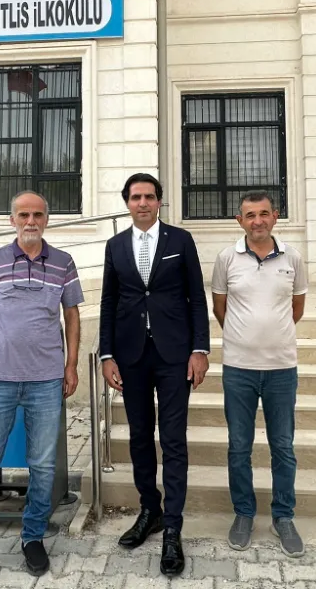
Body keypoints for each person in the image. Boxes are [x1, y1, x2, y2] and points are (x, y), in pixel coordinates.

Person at [0, 191, 84, 589]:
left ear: (47, 219)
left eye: (38, 214)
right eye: (23, 214)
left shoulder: (63, 263)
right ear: (12, 220)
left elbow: (72, 316)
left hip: (46, 381)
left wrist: (71, 365)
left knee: (43, 466)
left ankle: (32, 537)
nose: (31, 221)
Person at [99, 173, 209, 576]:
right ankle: (151, 510)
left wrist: (200, 349)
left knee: (173, 440)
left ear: (159, 201)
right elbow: (109, 300)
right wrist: (106, 355)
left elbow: (196, 297)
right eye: (135, 197)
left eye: (149, 196)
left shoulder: (180, 240)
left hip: (174, 355)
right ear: (127, 203)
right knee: (140, 437)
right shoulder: (115, 245)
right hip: (131, 355)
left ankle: (173, 529)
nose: (142, 203)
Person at [211, 190, 308, 558]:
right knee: (239, 446)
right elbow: (220, 307)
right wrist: (244, 337)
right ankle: (243, 513)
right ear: (240, 220)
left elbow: (297, 307)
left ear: (275, 216)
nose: (258, 221)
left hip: (282, 367)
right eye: (250, 215)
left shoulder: (292, 257)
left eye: (264, 213)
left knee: (283, 446)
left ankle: (283, 516)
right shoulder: (227, 258)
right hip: (239, 369)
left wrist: (271, 335)